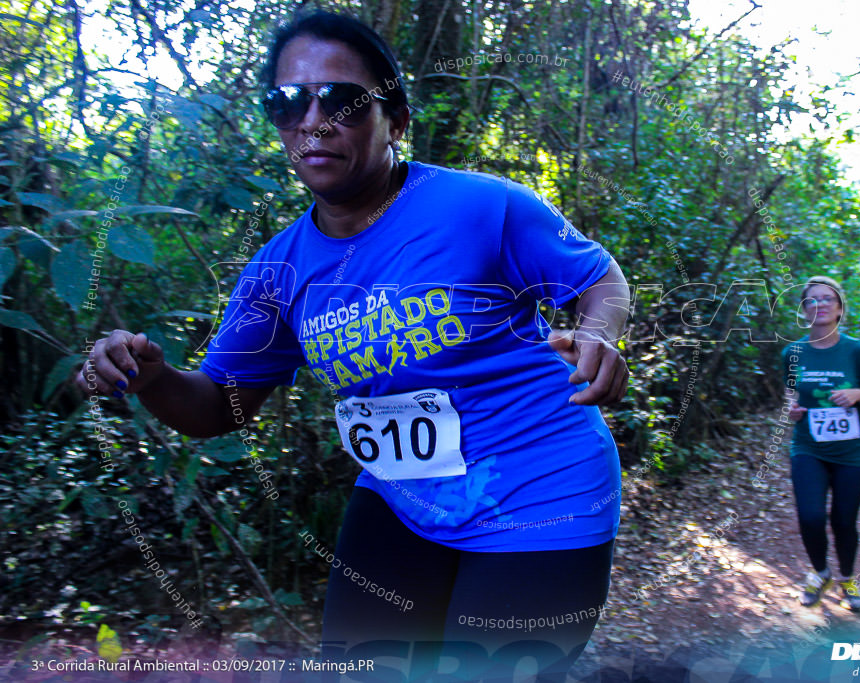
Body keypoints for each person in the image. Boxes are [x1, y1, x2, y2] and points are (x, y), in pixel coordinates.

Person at [75, 11, 629, 682]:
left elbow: (599, 279)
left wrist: (599, 331)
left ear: (394, 119)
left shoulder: (481, 207)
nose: (312, 119)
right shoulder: (277, 273)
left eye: (341, 100)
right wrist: (150, 374)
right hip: (405, 497)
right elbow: (220, 407)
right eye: (286, 103)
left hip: (543, 486)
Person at [781, 276, 860, 612]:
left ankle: (847, 579)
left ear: (840, 308)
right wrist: (792, 410)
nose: (821, 304)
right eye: (813, 300)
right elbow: (790, 393)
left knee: (844, 520)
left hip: (854, 452)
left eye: (828, 299)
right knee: (811, 516)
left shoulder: (858, 351)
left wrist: (858, 393)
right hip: (808, 447)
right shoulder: (792, 352)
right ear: (804, 310)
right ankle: (820, 572)